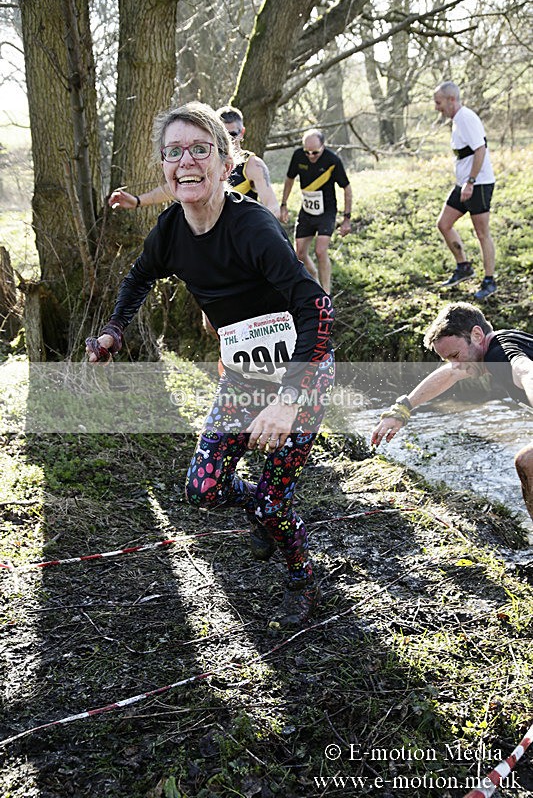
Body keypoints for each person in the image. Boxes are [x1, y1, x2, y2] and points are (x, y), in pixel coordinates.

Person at [87, 101, 335, 628]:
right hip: (243, 377)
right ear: (163, 166)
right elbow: (138, 278)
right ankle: (260, 510)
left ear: (226, 164)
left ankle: (302, 581)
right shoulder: (170, 230)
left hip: (303, 373)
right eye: (173, 152)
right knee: (203, 489)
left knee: (275, 505)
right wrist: (114, 330)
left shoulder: (253, 228)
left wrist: (288, 401)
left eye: (200, 150)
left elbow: (317, 309)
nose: (186, 161)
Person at [371, 302, 533, 523]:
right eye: (448, 359)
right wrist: (403, 408)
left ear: (477, 335)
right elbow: (450, 374)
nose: (455, 365)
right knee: (527, 463)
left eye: (456, 355)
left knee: (527, 461)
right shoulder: (498, 345)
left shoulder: (498, 355)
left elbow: (526, 371)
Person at [108, 105, 280, 218]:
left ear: (242, 133)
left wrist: (257, 232)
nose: (229, 140)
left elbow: (272, 206)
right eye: (223, 134)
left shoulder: (253, 165)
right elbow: (172, 189)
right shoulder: (199, 162)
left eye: (232, 134)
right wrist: (137, 201)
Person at [434, 81, 497, 301]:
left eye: (439, 102)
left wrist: (471, 181)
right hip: (464, 184)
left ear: (451, 99)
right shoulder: (457, 120)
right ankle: (464, 267)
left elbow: (480, 149)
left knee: (482, 233)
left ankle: (489, 281)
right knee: (444, 223)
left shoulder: (466, 118)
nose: (436, 107)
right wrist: (465, 182)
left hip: (478, 184)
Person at [279, 129, 352, 294]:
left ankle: (326, 294)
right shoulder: (298, 156)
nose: (311, 156)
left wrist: (347, 218)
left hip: (327, 212)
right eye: (307, 152)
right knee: (299, 253)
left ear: (323, 146)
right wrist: (284, 204)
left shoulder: (332, 161)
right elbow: (289, 179)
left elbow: (347, 188)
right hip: (307, 211)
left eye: (315, 153)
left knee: (320, 251)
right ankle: (314, 279)